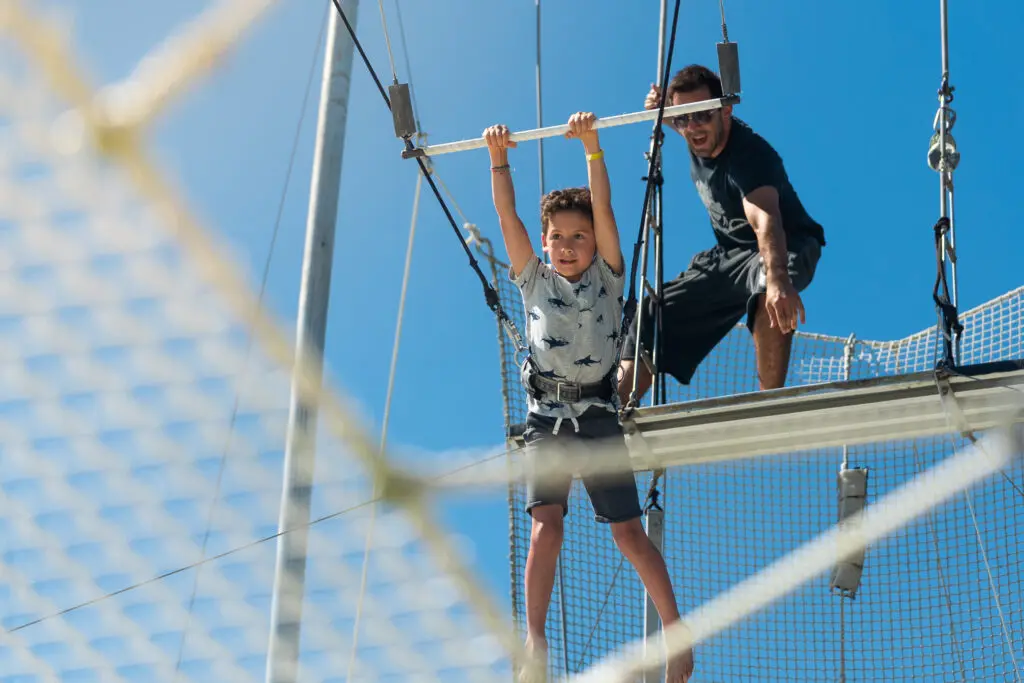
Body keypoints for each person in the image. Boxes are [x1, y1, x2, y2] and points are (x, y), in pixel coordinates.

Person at [484, 112, 695, 683]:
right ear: (546, 243)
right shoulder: (531, 278)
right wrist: (499, 158)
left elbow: (604, 210)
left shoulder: (608, 277)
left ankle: (677, 636)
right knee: (545, 524)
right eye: (560, 238)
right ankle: (534, 640)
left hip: (599, 412)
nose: (571, 245)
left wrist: (593, 150)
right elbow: (508, 216)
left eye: (581, 236)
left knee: (628, 532)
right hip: (547, 416)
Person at [618, 64, 826, 406]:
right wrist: (660, 109)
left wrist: (777, 282)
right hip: (728, 254)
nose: (693, 128)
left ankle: (768, 404)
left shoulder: (749, 156)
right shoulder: (692, 128)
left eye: (702, 116)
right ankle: (612, 411)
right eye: (683, 119)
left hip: (785, 243)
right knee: (651, 314)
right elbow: (677, 118)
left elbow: (766, 222)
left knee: (767, 287)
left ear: (725, 111)